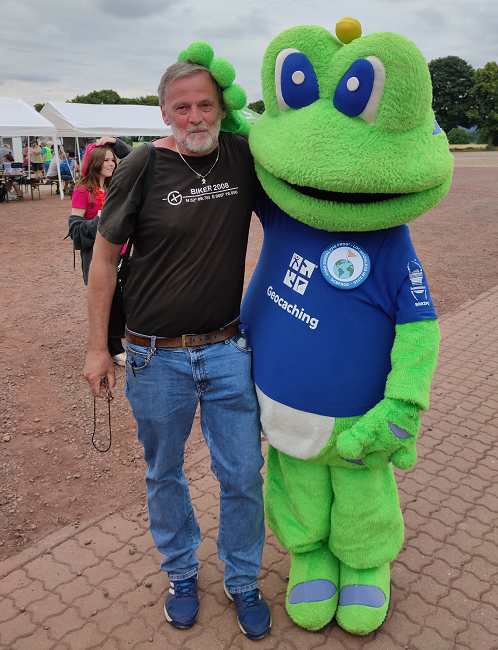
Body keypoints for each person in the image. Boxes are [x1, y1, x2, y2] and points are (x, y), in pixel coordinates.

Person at [83, 59, 271, 640]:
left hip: (226, 349)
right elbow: (104, 259)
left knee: (243, 473)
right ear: (164, 112)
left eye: (205, 104)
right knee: (164, 473)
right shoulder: (141, 165)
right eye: (182, 107)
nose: (195, 117)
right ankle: (182, 574)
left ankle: (243, 579)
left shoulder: (242, 157)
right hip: (154, 355)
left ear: (222, 108)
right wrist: (97, 349)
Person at [69, 137, 130, 365]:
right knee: (107, 301)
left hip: (123, 254)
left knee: (124, 299)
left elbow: (134, 159)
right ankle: (113, 348)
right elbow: (75, 230)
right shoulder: (83, 190)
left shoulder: (115, 186)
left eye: (112, 159)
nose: (111, 163)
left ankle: (121, 342)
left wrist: (116, 142)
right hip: (96, 256)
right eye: (105, 160)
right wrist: (99, 220)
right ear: (94, 162)